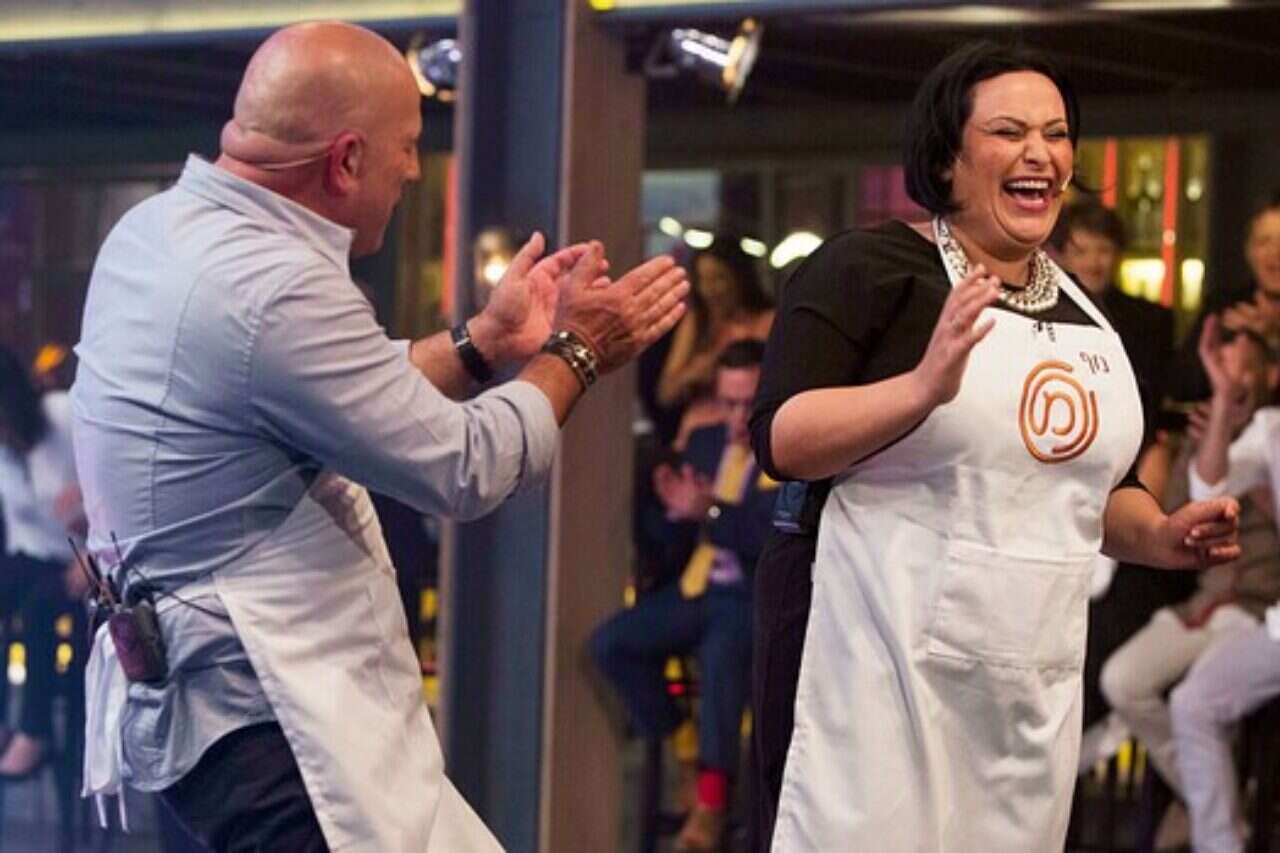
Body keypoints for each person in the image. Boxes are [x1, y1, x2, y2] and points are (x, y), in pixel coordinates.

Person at [71, 21, 688, 853]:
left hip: (221, 713)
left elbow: (336, 396)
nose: (413, 169)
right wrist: (578, 351)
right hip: (276, 720)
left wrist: (483, 343)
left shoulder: (157, 230)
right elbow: (466, 466)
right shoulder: (275, 284)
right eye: (407, 145)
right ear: (347, 160)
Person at [750, 41, 1240, 851]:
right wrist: (920, 388)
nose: (1039, 152)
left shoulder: (1089, 316)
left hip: (1025, 675)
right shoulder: (868, 269)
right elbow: (783, 437)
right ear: (947, 157)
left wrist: (1160, 534)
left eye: (1056, 134)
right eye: (1010, 132)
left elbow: (1092, 490)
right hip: (871, 652)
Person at [1098, 308, 1280, 846]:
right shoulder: (1267, 431)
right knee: (1188, 701)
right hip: (1256, 622)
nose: (1234, 373)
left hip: (1250, 606)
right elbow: (1204, 494)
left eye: (1243, 365)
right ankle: (1220, 827)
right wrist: (1221, 400)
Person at [592, 340, 774, 853]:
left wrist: (709, 511)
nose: (738, 417)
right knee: (611, 644)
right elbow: (670, 539)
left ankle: (712, 803)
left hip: (750, 598)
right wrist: (666, 508)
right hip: (696, 588)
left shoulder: (784, 448)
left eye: (749, 403)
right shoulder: (705, 441)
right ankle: (687, 751)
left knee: (723, 655)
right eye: (729, 403)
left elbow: (766, 536)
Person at [0, 345, 87, 779]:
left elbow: (117, 479)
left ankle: (35, 732)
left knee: (37, 608)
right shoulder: (6, 452)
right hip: (35, 557)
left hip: (86, 560)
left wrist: (91, 555)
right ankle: (6, 724)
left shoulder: (64, 415)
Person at [1055, 200, 1174, 410]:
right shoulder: (1042, 318)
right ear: (1061, 257)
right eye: (1080, 252)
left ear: (1119, 254)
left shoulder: (1152, 320)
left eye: (1103, 250)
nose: (1093, 263)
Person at [656, 236, 773, 447]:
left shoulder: (768, 321)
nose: (710, 289)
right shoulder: (697, 323)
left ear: (740, 277)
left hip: (752, 433)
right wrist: (706, 366)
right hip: (701, 433)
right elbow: (667, 392)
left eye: (718, 278)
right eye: (703, 280)